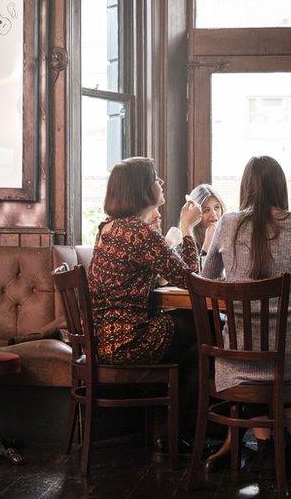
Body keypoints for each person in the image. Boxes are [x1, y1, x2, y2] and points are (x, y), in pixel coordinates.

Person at [201, 156, 291, 474]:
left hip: (237, 357)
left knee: (254, 354)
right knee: (285, 355)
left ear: (245, 187)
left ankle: (265, 446)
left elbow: (208, 277)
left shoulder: (226, 223)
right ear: (280, 187)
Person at [87, 157, 203, 447]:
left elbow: (134, 278)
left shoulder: (108, 229)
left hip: (105, 342)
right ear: (141, 189)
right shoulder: (137, 232)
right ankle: (180, 434)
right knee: (211, 325)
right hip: (130, 343)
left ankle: (176, 432)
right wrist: (187, 229)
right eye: (155, 178)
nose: (161, 183)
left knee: (198, 349)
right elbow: (192, 279)